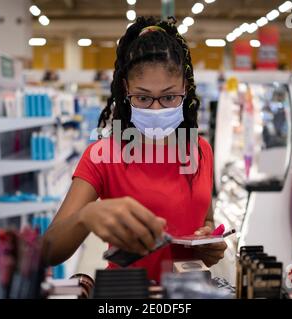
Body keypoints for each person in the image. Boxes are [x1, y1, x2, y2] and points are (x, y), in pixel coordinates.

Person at [43, 16, 227, 283]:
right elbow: (49, 249)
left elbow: (205, 219)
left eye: (168, 97)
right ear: (126, 89)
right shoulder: (102, 156)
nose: (155, 109)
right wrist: (85, 217)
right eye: (142, 97)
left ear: (185, 89)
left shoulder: (200, 150)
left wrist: (208, 241)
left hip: (189, 292)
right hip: (127, 296)